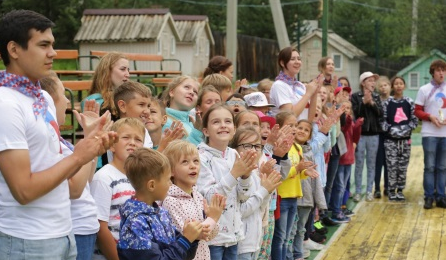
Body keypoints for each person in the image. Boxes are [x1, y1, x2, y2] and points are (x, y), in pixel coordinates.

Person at [0, 10, 115, 259]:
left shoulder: (42, 97)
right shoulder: (5, 104)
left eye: (52, 44)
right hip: (26, 242)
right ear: (14, 49)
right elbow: (24, 191)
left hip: (63, 235)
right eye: (43, 45)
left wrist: (90, 142)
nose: (53, 53)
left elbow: (72, 189)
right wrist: (78, 156)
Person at [41, 73, 105, 260]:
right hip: (74, 227)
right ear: (50, 101)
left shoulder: (61, 140)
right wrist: (90, 138)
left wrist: (90, 137)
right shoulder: (49, 141)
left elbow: (87, 179)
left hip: (85, 226)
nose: (68, 101)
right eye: (63, 94)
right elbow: (74, 189)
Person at [196, 104, 257, 260]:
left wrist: (245, 177)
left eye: (228, 121)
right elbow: (209, 198)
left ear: (234, 129)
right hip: (212, 237)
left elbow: (242, 197)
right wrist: (234, 173)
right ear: (206, 131)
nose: (223, 125)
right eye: (216, 122)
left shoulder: (234, 154)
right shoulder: (200, 157)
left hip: (233, 234)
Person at [117, 148, 202, 260]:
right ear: (152, 185)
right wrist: (186, 239)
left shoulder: (161, 213)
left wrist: (193, 239)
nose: (170, 183)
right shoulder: (135, 225)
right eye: (167, 180)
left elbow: (184, 256)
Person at [91, 118, 146, 260]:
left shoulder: (141, 179)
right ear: (112, 146)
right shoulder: (104, 178)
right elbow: (100, 228)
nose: (132, 143)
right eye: (126, 137)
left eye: (138, 139)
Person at [162, 140, 226, 260]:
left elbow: (210, 235)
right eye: (185, 162)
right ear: (171, 171)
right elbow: (191, 236)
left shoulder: (198, 196)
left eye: (196, 161)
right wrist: (213, 218)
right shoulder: (170, 201)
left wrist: (213, 218)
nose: (193, 165)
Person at [271, 111, 318, 260]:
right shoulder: (279, 147)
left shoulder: (297, 147)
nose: (294, 129)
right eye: (290, 125)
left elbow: (298, 173)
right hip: (282, 197)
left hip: (294, 196)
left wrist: (305, 171)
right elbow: (281, 174)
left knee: (288, 236)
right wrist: (298, 169)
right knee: (281, 236)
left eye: (295, 125)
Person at [230, 127, 282, 260]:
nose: (253, 150)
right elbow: (240, 210)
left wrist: (268, 191)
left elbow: (261, 208)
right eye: (247, 146)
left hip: (254, 241)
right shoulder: (234, 175)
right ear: (234, 149)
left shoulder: (255, 173)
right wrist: (264, 190)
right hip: (241, 243)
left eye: (257, 146)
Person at [415, 59, 446, 209]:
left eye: (443, 70)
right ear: (432, 73)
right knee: (430, 167)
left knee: (442, 167)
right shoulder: (424, 89)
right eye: (438, 70)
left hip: (445, 134)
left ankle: (441, 196)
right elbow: (417, 110)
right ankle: (429, 197)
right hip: (429, 134)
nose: (441, 73)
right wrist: (430, 117)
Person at [382, 76, 418, 201]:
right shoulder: (387, 103)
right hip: (390, 141)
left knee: (403, 166)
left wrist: (405, 130)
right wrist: (392, 130)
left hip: (405, 141)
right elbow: (383, 121)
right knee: (392, 166)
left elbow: (414, 120)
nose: (398, 86)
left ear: (404, 86)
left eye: (401, 83)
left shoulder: (409, 101)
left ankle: (400, 189)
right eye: (396, 84)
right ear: (392, 86)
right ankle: (391, 190)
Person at [351, 71, 383, 202]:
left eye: (374, 81)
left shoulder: (376, 97)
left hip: (374, 135)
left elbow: (381, 113)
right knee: (359, 164)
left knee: (371, 164)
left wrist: (372, 103)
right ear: (363, 83)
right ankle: (358, 191)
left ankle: (369, 190)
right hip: (361, 135)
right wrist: (364, 102)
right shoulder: (355, 96)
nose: (373, 83)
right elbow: (356, 113)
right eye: (370, 80)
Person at [269, 47, 319, 119]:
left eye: (299, 59)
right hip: (289, 129)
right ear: (282, 63)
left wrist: (314, 93)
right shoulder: (279, 85)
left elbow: (310, 119)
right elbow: (290, 116)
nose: (297, 62)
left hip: (303, 129)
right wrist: (308, 94)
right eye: (292, 59)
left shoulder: (300, 86)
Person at [84, 52, 130, 121]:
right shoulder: (94, 101)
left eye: (128, 70)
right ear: (107, 72)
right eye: (122, 69)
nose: (128, 74)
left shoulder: (129, 96)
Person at [162, 75, 203, 146]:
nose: (191, 92)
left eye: (195, 92)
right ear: (172, 92)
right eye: (186, 87)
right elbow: (181, 153)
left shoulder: (191, 123)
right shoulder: (163, 121)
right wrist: (197, 131)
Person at [374, 76, 391, 198]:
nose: (383, 88)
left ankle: (387, 187)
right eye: (380, 86)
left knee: (388, 162)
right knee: (378, 162)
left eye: (385, 85)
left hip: (390, 135)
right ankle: (377, 188)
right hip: (378, 134)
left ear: (389, 86)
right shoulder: (376, 101)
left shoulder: (393, 101)